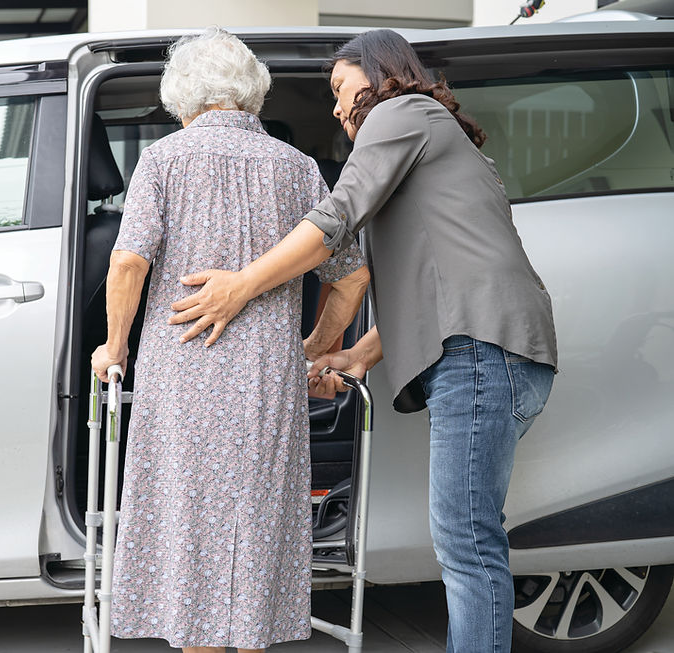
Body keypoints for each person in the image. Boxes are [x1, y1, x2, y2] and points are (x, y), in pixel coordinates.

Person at [167, 29, 557, 653]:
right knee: (468, 535)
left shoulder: (402, 113)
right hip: (495, 353)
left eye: (340, 88)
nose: (336, 107)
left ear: (381, 76)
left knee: (468, 540)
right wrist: (354, 354)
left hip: (484, 354)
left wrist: (240, 285)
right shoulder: (431, 136)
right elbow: (432, 283)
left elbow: (334, 220)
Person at [90, 27, 369, 653]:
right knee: (257, 525)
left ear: (182, 97)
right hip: (268, 386)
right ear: (253, 94)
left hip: (182, 380)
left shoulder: (163, 160)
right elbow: (350, 280)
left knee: (191, 530)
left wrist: (114, 348)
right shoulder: (299, 170)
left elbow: (129, 264)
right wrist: (313, 352)